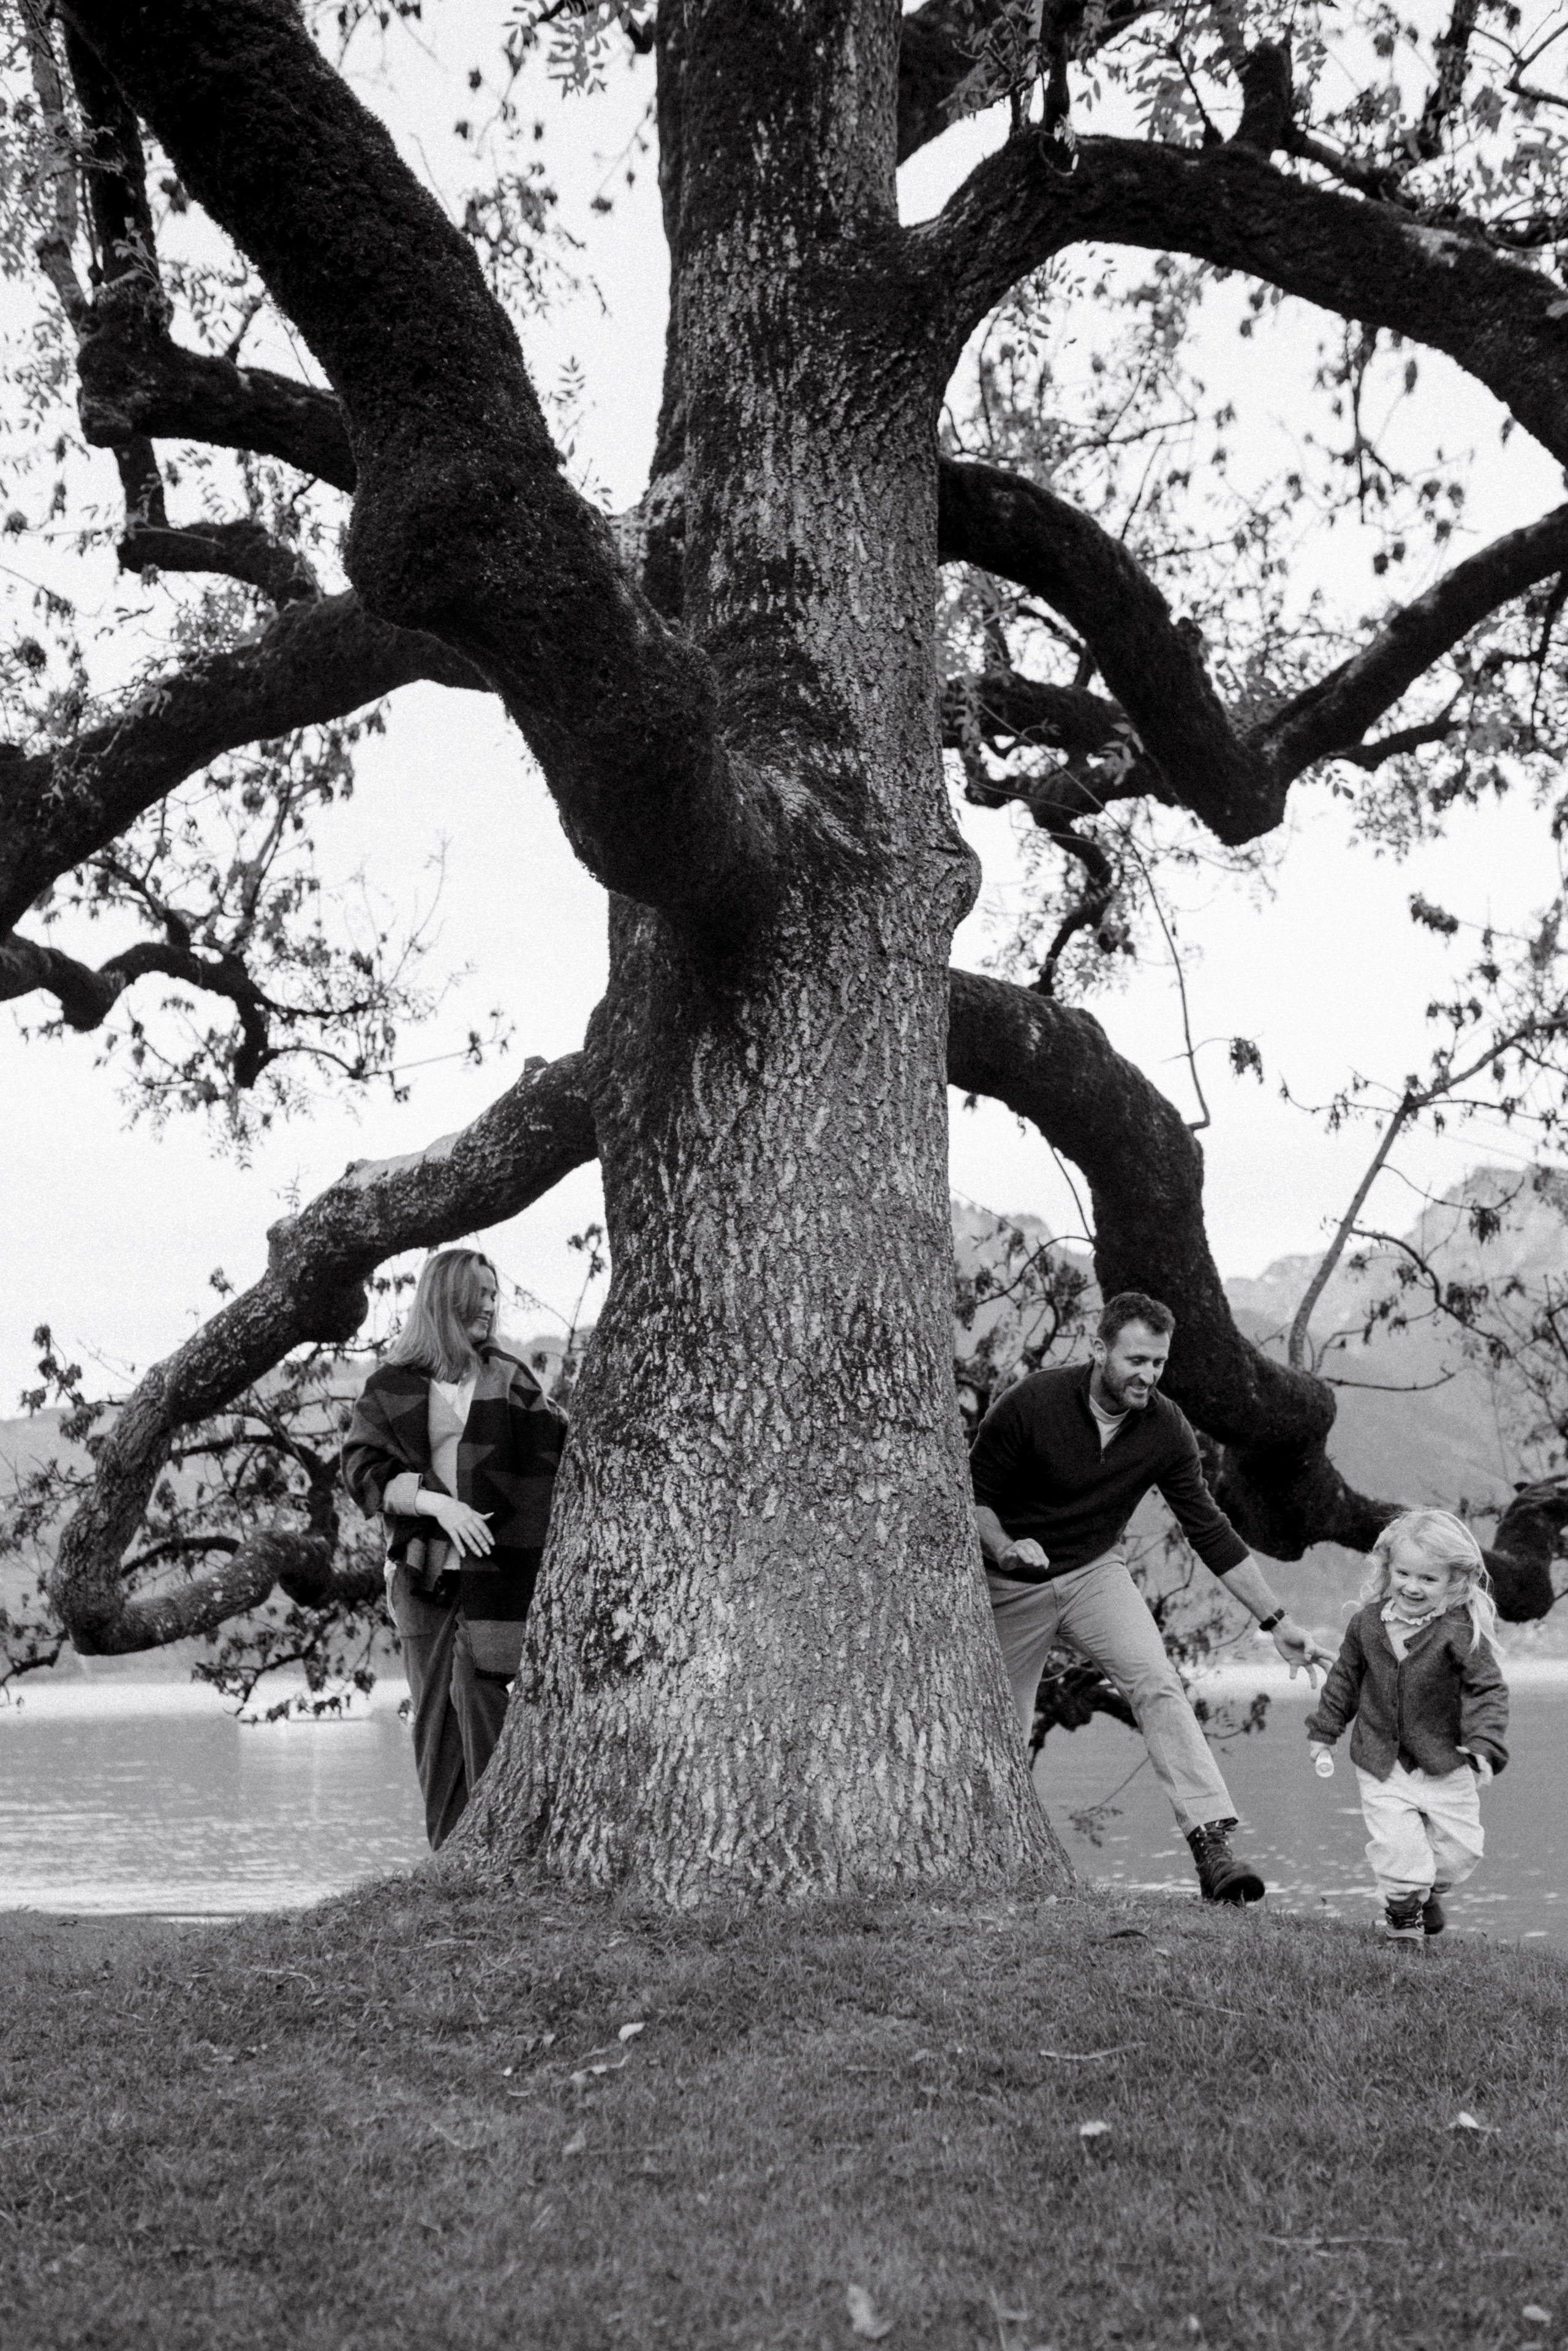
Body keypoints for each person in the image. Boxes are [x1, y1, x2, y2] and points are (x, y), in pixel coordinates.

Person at [969, 1290, 1333, 1904]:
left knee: (1158, 1683)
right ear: (1099, 1349)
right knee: (999, 1723)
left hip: (1093, 1573)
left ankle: (1212, 1847)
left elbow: (1209, 1529)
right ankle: (990, 1852)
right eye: (1136, 1360)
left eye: (1158, 1362)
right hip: (1009, 1583)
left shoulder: (1165, 1428)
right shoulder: (1032, 1402)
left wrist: (1277, 1621)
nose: (1148, 1374)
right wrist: (1005, 1550)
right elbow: (972, 1496)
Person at [343, 1248, 567, 1849]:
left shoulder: (508, 1378)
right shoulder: (391, 1386)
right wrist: (440, 1505)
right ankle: (449, 1855)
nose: (490, 1305)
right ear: (446, 1299)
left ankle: (501, 1843)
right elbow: (361, 1469)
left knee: (481, 1690)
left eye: (494, 1294)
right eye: (479, 1293)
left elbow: (559, 1448)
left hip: (497, 1570)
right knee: (435, 1723)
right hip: (424, 1575)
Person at [1305, 1509, 1509, 1942]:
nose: (1413, 1587)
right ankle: (1403, 1918)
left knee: (1461, 1854)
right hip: (1381, 1760)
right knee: (1399, 1849)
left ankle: (1424, 1889)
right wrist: (1324, 1733)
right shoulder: (1366, 1624)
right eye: (1404, 1574)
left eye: (1428, 1579)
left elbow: (1487, 1689)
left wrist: (1484, 1743)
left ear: (1454, 1581)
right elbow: (1344, 1680)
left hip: (1446, 1760)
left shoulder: (1459, 1630)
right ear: (1388, 1569)